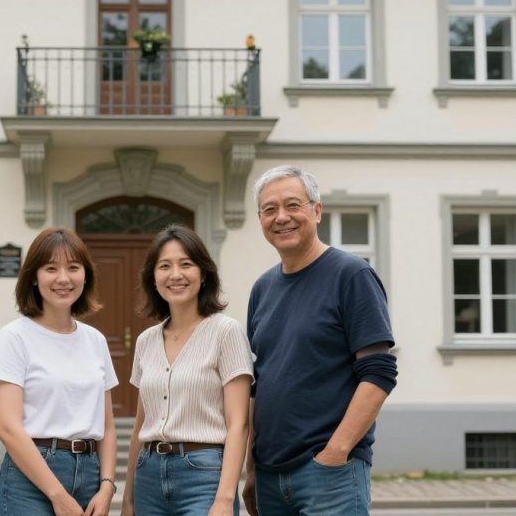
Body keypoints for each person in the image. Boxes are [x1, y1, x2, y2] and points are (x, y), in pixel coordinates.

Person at [241, 165, 398, 516]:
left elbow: (379, 373)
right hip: (269, 475)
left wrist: (336, 452)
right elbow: (258, 385)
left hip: (328, 473)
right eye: (269, 209)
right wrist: (251, 469)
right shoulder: (262, 289)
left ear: (317, 210)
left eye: (292, 205)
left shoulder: (351, 274)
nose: (281, 217)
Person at [121, 224, 253, 516]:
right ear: (153, 278)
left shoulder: (225, 332)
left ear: (203, 274)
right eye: (164, 266)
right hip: (148, 476)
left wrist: (223, 499)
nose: (175, 274)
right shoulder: (146, 341)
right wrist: (128, 500)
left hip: (203, 475)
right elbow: (140, 426)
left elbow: (238, 424)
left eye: (186, 264)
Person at [0, 228, 118, 516]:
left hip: (90, 476)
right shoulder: (15, 337)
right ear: (34, 277)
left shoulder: (95, 340)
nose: (63, 278)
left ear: (85, 275)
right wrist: (57, 494)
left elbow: (107, 427)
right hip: (30, 478)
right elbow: (7, 428)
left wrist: (107, 485)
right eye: (51, 268)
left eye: (73, 267)